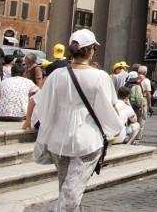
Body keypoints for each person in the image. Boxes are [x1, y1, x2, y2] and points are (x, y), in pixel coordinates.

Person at [25, 29, 123, 212]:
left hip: (58, 139)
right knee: (70, 194)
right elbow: (109, 107)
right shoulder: (100, 76)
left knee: (67, 189)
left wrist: (38, 125)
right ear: (92, 49)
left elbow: (40, 103)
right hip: (86, 140)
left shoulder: (55, 75)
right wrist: (116, 129)